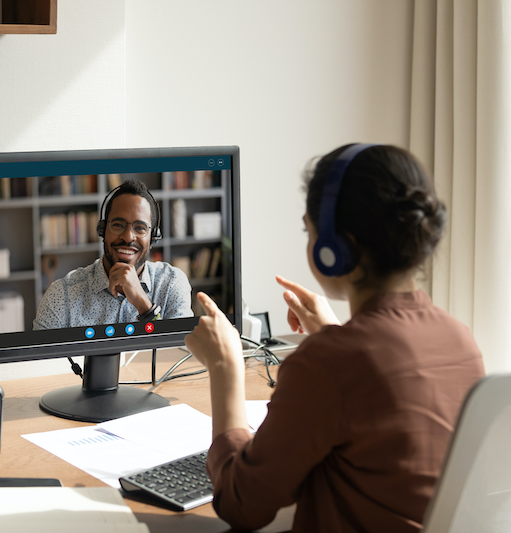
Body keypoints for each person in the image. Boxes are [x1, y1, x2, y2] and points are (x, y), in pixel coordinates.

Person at [184, 144, 485, 532]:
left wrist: (225, 367)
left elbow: (242, 505)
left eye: (308, 230)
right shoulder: (460, 340)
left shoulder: (329, 361)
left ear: (335, 248)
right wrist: (334, 336)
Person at [33, 179, 193, 329]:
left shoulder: (171, 284)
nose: (128, 237)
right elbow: (41, 351)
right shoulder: (62, 295)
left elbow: (180, 349)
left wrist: (144, 306)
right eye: (118, 225)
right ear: (102, 230)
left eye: (140, 228)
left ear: (153, 238)